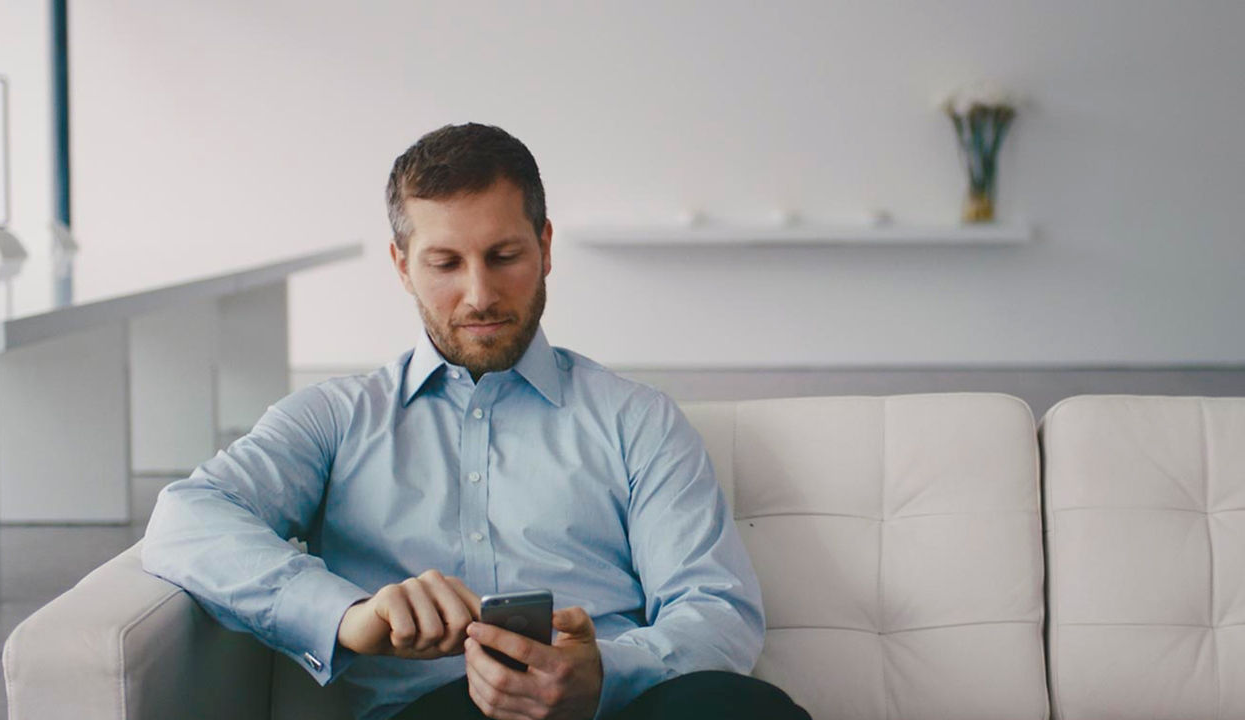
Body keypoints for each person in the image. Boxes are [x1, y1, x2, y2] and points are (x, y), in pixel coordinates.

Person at [143, 123, 811, 720]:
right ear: (403, 267)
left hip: (619, 706)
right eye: (446, 264)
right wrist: (349, 616)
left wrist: (603, 673)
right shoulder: (336, 418)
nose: (480, 295)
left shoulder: (637, 419)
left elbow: (716, 610)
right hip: (432, 710)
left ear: (545, 248)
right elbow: (186, 518)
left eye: (504, 256)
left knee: (746, 709)